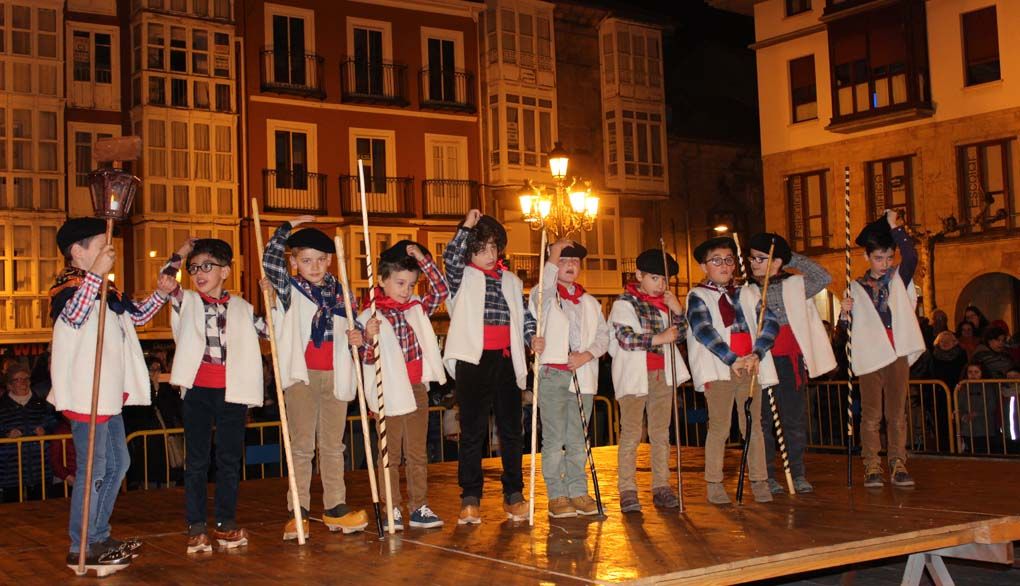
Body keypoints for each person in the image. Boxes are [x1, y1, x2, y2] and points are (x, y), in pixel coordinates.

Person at [48, 217, 177, 573]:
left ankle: (99, 535)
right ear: (77, 251)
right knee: (95, 470)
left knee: (119, 463)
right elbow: (74, 316)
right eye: (99, 245)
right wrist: (95, 277)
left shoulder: (104, 289)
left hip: (108, 393)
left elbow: (134, 317)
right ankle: (82, 545)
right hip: (86, 393)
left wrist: (162, 293)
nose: (110, 252)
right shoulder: (67, 289)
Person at [263, 217, 368, 538]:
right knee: (302, 446)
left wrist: (357, 337)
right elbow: (269, 258)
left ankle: (336, 506)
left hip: (336, 374)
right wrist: (287, 226)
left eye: (321, 259)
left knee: (334, 445)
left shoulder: (342, 293)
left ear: (330, 260)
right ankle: (299, 510)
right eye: (306, 260)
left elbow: (354, 328)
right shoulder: (289, 288)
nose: (315, 266)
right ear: (294, 262)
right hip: (302, 375)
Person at [164, 238, 269, 553]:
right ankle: (196, 526)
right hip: (197, 391)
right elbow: (167, 280)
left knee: (228, 460)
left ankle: (226, 523)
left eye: (206, 266)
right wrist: (180, 253)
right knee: (196, 460)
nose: (198, 273)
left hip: (232, 392)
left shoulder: (242, 308)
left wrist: (272, 297)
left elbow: (271, 331)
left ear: (225, 271)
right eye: (195, 268)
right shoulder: (187, 301)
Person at [442, 210, 540, 524]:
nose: (489, 255)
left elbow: (524, 316)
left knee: (512, 431)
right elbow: (450, 258)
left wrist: (532, 337)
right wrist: (466, 227)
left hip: (507, 360)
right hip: (474, 360)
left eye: (493, 248)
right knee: (472, 432)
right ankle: (470, 497)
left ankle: (513, 494)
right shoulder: (462, 277)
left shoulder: (511, 280)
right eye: (481, 249)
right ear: (471, 252)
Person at [357, 240, 448, 529]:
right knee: (390, 454)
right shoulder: (369, 316)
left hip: (417, 387)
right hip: (390, 391)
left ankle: (419, 506)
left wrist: (422, 259)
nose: (406, 290)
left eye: (410, 284)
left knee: (418, 451)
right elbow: (366, 360)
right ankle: (391, 508)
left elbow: (441, 290)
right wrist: (368, 338)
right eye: (399, 283)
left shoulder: (416, 308)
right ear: (382, 281)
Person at [687, 237, 779, 505]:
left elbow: (769, 323)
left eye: (728, 260)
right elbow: (704, 331)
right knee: (719, 427)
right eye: (716, 260)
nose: (724, 265)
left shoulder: (748, 292)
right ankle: (714, 483)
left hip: (749, 366)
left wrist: (757, 352)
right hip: (720, 369)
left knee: (753, 426)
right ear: (705, 266)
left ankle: (760, 479)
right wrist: (731, 359)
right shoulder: (698, 295)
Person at [840, 210, 925, 488]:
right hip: (871, 356)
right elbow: (847, 332)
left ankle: (898, 462)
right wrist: (845, 313)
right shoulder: (855, 287)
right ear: (867, 257)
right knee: (872, 414)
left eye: (889, 258)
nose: (885, 264)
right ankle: (872, 464)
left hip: (897, 351)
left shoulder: (899, 278)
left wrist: (895, 228)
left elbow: (911, 256)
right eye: (878, 258)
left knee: (897, 413)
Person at [745, 233, 835, 495]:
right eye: (752, 258)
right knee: (763, 422)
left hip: (789, 362)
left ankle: (796, 472)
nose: (754, 263)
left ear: (776, 262)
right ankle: (767, 475)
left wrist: (789, 256)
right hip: (763, 362)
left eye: (761, 258)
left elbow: (823, 277)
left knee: (793, 420)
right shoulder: (747, 290)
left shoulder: (794, 284)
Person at [530, 240, 609, 518]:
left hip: (583, 377)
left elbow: (603, 336)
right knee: (554, 439)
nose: (570, 266)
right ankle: (556, 494)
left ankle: (578, 490)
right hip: (553, 373)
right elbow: (541, 294)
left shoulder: (590, 302)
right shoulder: (545, 296)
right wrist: (551, 255)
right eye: (564, 261)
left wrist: (586, 355)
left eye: (575, 261)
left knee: (578, 440)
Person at [609, 248, 690, 512]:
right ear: (639, 275)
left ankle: (661, 485)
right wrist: (660, 338)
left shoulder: (665, 305)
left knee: (660, 433)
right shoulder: (624, 303)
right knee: (632, 433)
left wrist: (678, 311)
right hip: (635, 375)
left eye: (664, 280)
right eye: (655, 278)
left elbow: (681, 335)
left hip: (662, 374)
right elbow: (626, 338)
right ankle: (627, 489)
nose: (661, 284)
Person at [0, 363, 56, 502]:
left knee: (42, 509)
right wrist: (6, 435)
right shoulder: (1, 407)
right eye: (18, 379)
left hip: (40, 469)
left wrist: (46, 432)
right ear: (9, 385)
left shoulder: (42, 404)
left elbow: (54, 424)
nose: (23, 383)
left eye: (26, 378)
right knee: (12, 511)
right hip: (10, 472)